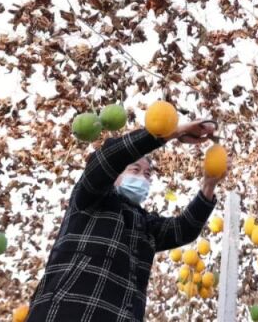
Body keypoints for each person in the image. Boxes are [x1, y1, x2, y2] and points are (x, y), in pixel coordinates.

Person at [26, 120, 226, 322]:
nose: (142, 177)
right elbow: (108, 158)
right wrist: (172, 131)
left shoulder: (146, 224)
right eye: (135, 170)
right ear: (115, 176)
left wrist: (209, 185)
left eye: (147, 174)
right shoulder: (89, 198)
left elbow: (183, 229)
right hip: (70, 311)